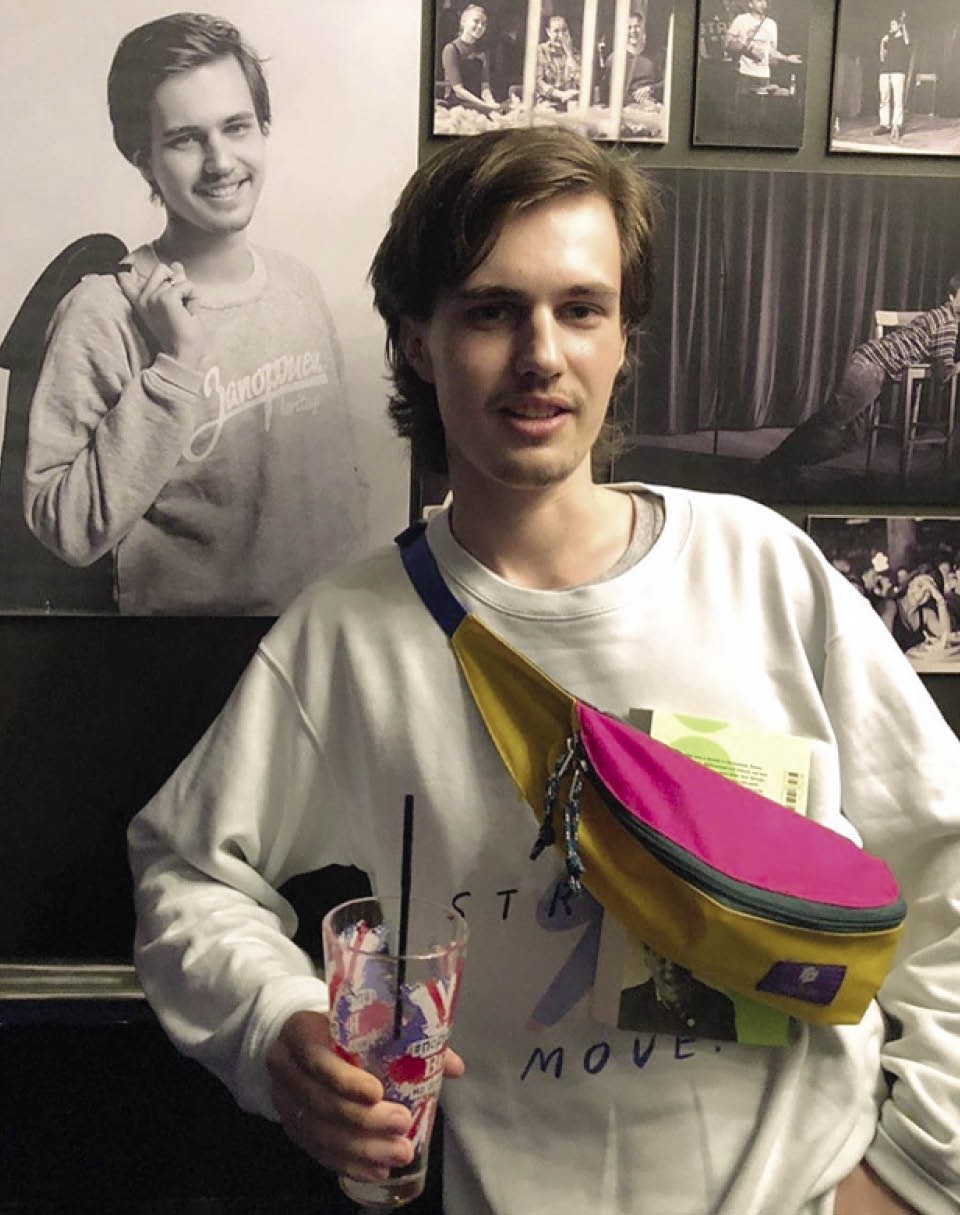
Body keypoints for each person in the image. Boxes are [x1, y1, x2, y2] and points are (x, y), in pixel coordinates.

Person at [128, 127, 960, 1214]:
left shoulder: (761, 569)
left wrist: (914, 1173)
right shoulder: (349, 638)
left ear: (622, 338)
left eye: (581, 309)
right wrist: (275, 1022)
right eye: (490, 311)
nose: (542, 355)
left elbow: (948, 864)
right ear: (419, 343)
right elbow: (187, 875)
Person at [22, 13, 368, 615]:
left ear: (263, 128)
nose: (220, 161)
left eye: (236, 127)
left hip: (320, 631)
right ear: (142, 158)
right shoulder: (103, 311)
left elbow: (337, 490)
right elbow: (65, 527)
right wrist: (175, 368)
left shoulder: (298, 286)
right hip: (185, 656)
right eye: (185, 138)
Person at [762, 279, 960, 475]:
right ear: (952, 297)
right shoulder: (949, 322)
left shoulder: (934, 314)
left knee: (852, 437)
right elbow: (943, 372)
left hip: (869, 367)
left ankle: (787, 463)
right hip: (870, 369)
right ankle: (774, 463)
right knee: (829, 422)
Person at [724, 0, 801, 98]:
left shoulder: (771, 24)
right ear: (750, 4)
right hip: (743, 73)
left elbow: (771, 51)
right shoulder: (741, 20)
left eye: (765, 1)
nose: (763, 4)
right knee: (744, 104)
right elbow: (727, 43)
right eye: (759, 1)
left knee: (761, 104)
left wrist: (787, 58)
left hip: (763, 75)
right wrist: (749, 51)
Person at [440, 5, 502, 116]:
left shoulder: (483, 51)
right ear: (463, 22)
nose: (480, 26)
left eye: (484, 24)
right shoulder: (451, 49)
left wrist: (491, 102)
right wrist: (485, 106)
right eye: (476, 21)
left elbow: (485, 86)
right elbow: (458, 90)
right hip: (457, 104)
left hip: (478, 103)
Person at [876, 14, 911, 142]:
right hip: (885, 71)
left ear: (899, 25)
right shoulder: (888, 38)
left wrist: (903, 25)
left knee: (898, 99)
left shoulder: (903, 37)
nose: (891, 26)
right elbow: (882, 58)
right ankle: (885, 124)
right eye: (890, 24)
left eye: (894, 24)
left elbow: (907, 41)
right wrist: (882, 43)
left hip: (898, 72)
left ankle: (897, 125)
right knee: (884, 98)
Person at [536, 14, 581, 107]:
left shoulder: (575, 53)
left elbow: (582, 82)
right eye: (556, 31)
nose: (561, 35)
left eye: (564, 30)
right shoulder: (541, 50)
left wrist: (570, 55)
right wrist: (561, 95)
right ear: (548, 32)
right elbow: (538, 83)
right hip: (546, 102)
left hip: (571, 103)